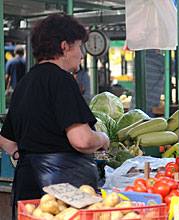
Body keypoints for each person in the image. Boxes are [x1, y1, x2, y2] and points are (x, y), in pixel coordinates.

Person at [0, 14, 110, 218]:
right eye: (79, 46)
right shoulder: (62, 81)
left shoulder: (25, 82)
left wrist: (21, 155)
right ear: (65, 46)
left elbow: (5, 139)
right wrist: (103, 139)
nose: (82, 54)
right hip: (62, 193)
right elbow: (82, 140)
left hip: (28, 188)